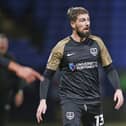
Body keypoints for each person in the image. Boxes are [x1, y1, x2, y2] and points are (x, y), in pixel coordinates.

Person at [36, 7, 124, 126]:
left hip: (94, 100)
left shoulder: (97, 42)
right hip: (71, 100)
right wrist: (42, 100)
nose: (87, 23)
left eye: (88, 19)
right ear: (73, 24)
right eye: (82, 20)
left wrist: (118, 89)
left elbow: (109, 69)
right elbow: (47, 76)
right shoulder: (61, 47)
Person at [0, 35, 24, 126]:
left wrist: (19, 92)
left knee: (3, 120)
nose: (3, 45)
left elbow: (19, 76)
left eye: (5, 43)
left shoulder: (10, 58)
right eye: (1, 43)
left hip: (5, 96)